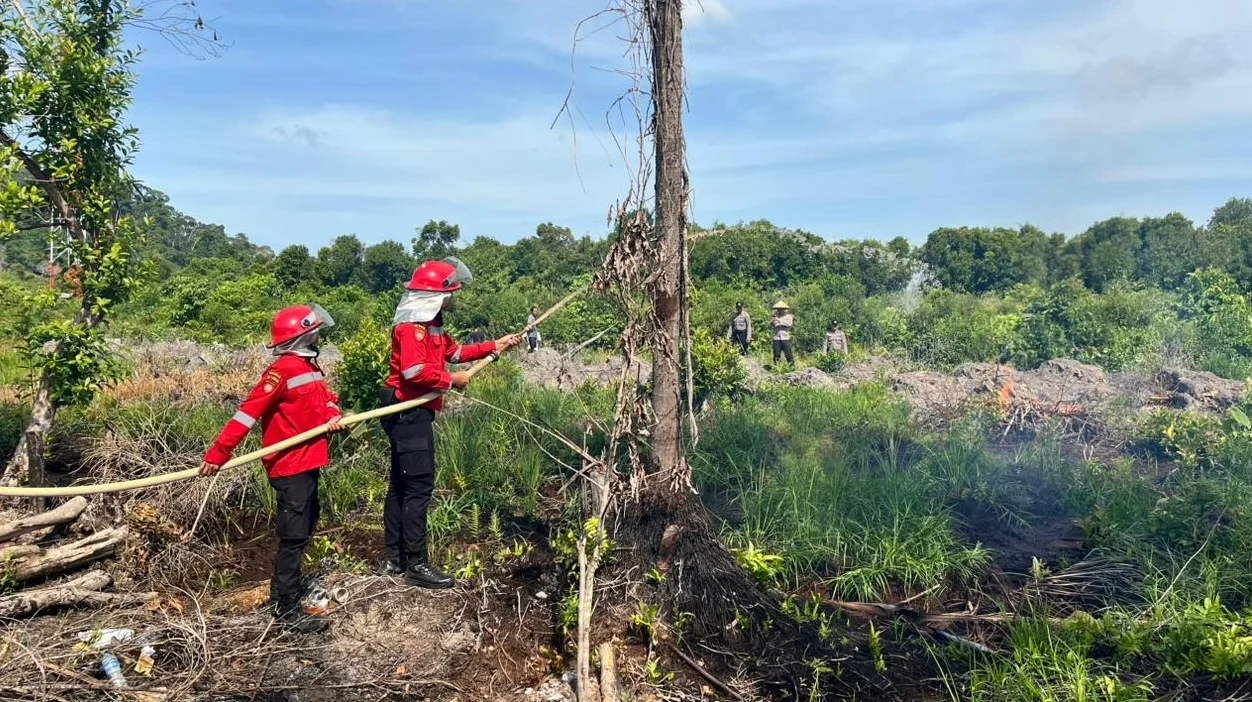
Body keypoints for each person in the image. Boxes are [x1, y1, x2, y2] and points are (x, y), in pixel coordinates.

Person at [199, 304, 344, 633]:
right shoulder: (281, 372)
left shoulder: (309, 365)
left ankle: (286, 598)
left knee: (305, 528)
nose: (319, 334)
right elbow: (246, 415)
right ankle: (286, 610)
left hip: (310, 460)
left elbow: (325, 398)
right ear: (301, 336)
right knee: (293, 537)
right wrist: (218, 454)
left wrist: (332, 415)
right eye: (314, 330)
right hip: (289, 465)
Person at [379, 257, 520, 588]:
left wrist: (493, 346)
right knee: (417, 486)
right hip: (407, 411)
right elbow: (413, 372)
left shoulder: (432, 321)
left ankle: (395, 560)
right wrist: (450, 381)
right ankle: (415, 563)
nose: (453, 298)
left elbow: (453, 352)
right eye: (450, 293)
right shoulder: (412, 327)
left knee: (402, 485)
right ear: (435, 294)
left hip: (411, 410)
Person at [770, 301, 795, 366]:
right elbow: (775, 325)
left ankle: (792, 368)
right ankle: (777, 368)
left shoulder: (789, 316)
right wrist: (777, 322)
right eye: (778, 308)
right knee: (776, 355)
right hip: (776, 337)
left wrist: (779, 321)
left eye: (781, 308)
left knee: (788, 354)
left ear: (784, 309)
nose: (779, 310)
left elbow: (789, 324)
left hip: (785, 337)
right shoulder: (774, 317)